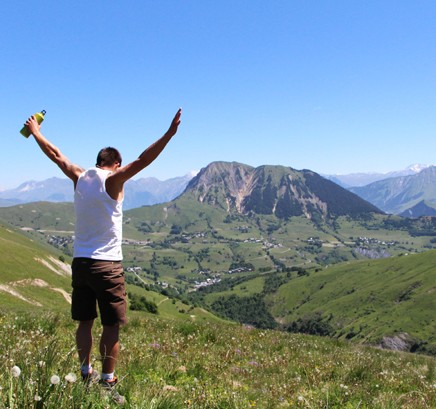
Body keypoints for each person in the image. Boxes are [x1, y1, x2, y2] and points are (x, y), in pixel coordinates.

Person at [24, 108, 182, 404]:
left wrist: (36, 132)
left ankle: (86, 374)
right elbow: (143, 160)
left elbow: (57, 154)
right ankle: (108, 382)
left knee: (84, 323)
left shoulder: (79, 176)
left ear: (98, 161)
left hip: (80, 263)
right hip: (107, 265)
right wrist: (169, 135)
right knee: (111, 325)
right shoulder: (114, 179)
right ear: (115, 164)